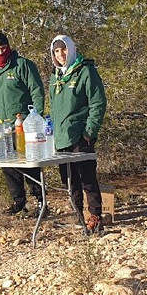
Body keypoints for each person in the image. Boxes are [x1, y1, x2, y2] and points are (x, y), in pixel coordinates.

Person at [0, 31, 46, 215]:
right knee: (8, 166)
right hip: (1, 127)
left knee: (30, 163)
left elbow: (36, 89)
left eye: (3, 48)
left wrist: (37, 116)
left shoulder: (22, 65)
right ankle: (19, 202)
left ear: (8, 47)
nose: (1, 52)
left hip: (24, 123)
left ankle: (41, 200)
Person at [48, 35, 107, 235]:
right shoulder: (55, 76)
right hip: (61, 136)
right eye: (56, 51)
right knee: (69, 181)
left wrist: (90, 131)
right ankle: (78, 216)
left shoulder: (85, 71)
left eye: (63, 49)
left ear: (71, 49)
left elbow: (98, 103)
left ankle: (95, 216)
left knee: (87, 177)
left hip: (81, 135)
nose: (61, 54)